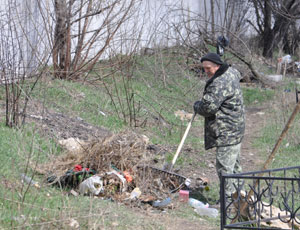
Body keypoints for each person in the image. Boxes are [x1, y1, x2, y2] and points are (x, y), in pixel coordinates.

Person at [193, 52, 245, 198]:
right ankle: (239, 198)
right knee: (234, 167)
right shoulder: (231, 72)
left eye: (208, 68)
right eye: (204, 68)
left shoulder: (219, 82)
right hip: (236, 127)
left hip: (226, 131)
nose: (206, 71)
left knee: (225, 168)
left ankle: (227, 202)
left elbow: (208, 108)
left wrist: (197, 106)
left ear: (218, 66)